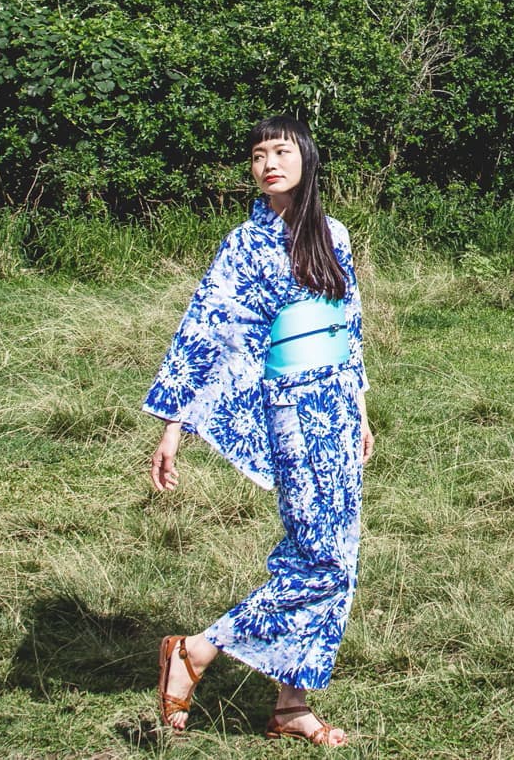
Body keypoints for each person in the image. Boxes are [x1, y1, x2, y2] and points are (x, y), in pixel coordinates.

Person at [146, 116, 373, 746]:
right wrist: (174, 427)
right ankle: (196, 651)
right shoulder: (245, 245)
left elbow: (348, 323)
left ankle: (290, 706)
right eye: (257, 154)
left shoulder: (334, 235)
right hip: (291, 407)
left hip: (336, 403)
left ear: (307, 159)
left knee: (338, 556)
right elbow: (205, 333)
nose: (268, 162)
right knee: (322, 556)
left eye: (281, 150)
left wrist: (359, 406)